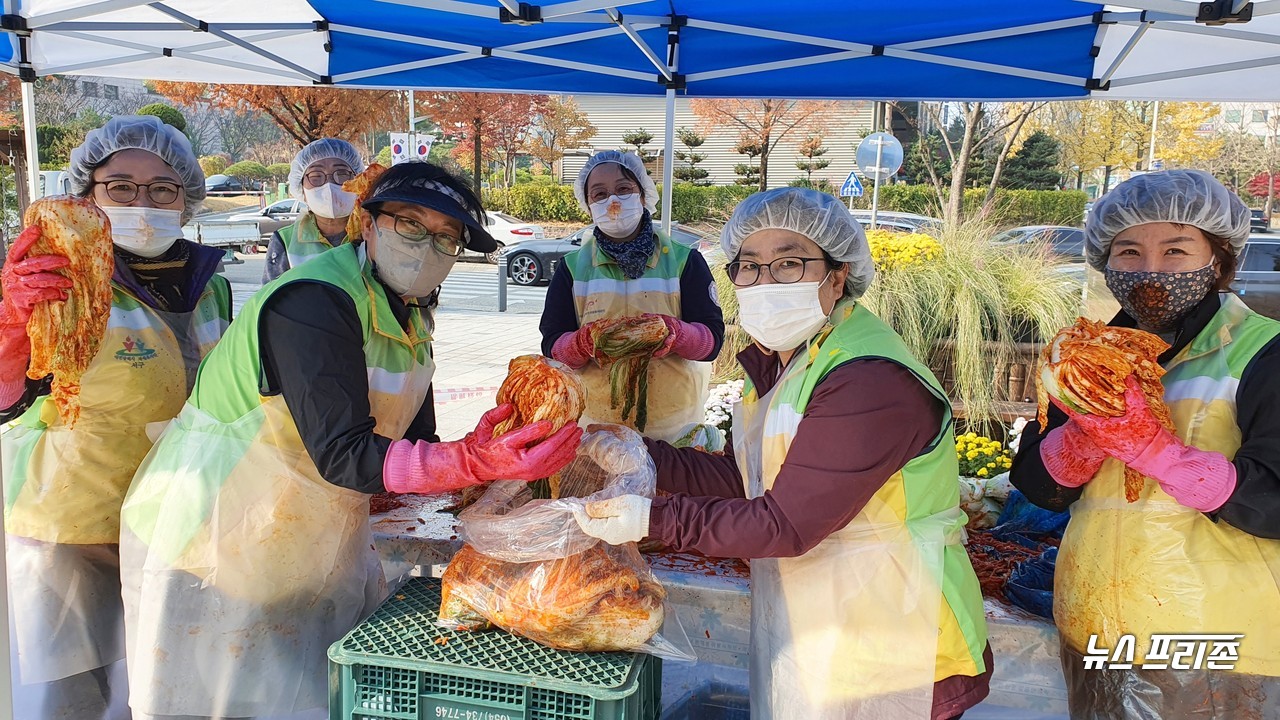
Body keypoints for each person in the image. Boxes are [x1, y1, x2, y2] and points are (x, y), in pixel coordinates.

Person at [118, 161, 582, 720]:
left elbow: (413, 435)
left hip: (307, 537)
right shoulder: (313, 301)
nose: (427, 246)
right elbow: (346, 452)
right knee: (224, 703)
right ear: (369, 223)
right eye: (410, 223)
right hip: (215, 541)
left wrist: (478, 449)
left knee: (306, 700)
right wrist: (471, 462)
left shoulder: (408, 312)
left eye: (446, 237)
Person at [572, 188, 992, 720]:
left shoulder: (867, 377)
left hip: (893, 639)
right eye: (749, 266)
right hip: (818, 626)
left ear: (837, 275)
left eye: (789, 263)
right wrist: (639, 454)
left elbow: (784, 522)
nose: (764, 282)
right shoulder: (786, 364)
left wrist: (649, 517)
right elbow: (747, 479)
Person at [1010, 169, 1280, 719]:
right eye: (1128, 252)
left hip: (1213, 642)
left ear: (1220, 261)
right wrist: (1075, 449)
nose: (1151, 270)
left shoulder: (1264, 355)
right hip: (1097, 627)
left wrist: (1160, 454)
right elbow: (1036, 484)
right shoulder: (1089, 361)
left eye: (1177, 250)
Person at [0, 114, 232, 720]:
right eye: (120, 187)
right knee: (74, 698)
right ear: (87, 196)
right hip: (76, 522)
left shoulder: (213, 285)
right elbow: (5, 396)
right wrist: (10, 322)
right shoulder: (56, 280)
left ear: (187, 197)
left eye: (163, 189)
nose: (143, 202)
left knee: (168, 683)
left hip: (178, 515)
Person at [539, 150, 724, 441]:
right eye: (599, 194)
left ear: (643, 195)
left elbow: (712, 342)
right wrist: (581, 343)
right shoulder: (572, 269)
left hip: (675, 431)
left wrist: (676, 333)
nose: (612, 202)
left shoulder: (684, 261)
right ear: (588, 205)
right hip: (597, 432)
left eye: (623, 189)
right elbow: (551, 347)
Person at [262, 138, 365, 282]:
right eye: (316, 176)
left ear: (358, 181)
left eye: (341, 174)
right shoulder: (285, 241)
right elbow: (272, 299)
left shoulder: (373, 233)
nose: (329, 185)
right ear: (301, 188)